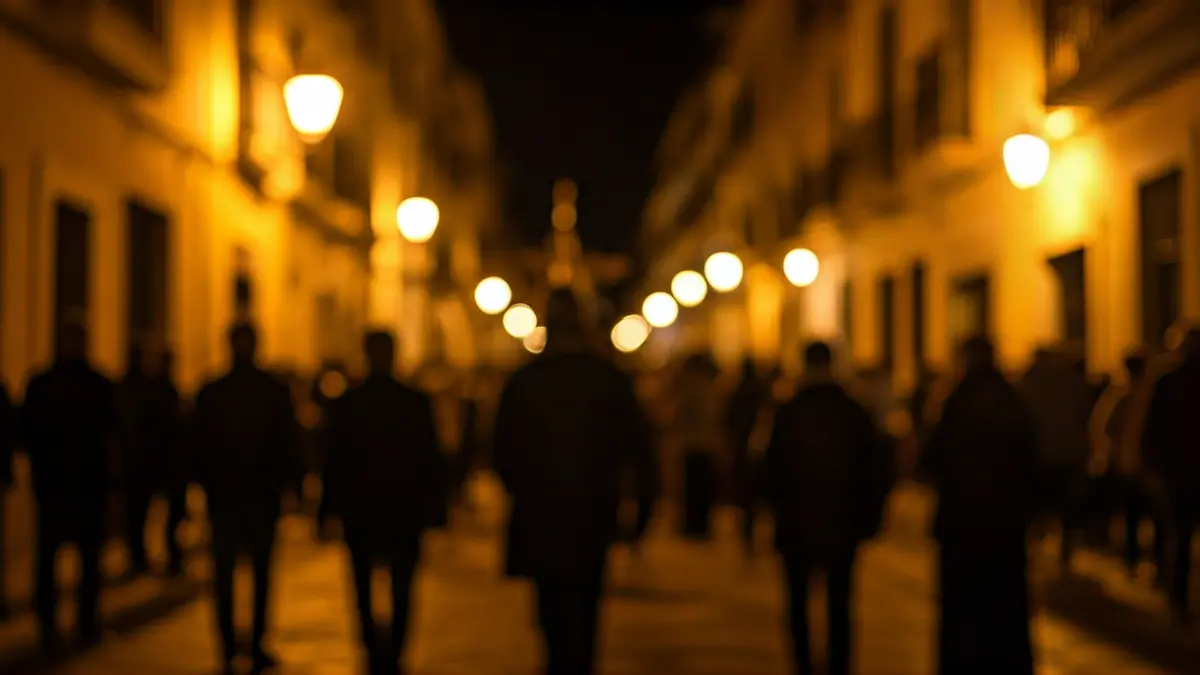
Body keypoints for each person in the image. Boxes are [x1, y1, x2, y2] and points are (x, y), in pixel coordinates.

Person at [492, 288, 657, 675]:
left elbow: (501, 452)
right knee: (586, 608)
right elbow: (640, 450)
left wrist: (526, 491)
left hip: (541, 515)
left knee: (550, 606)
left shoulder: (526, 381)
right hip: (592, 513)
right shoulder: (608, 380)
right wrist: (640, 513)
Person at [320, 330, 446, 675]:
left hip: (362, 510)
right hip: (402, 509)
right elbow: (430, 458)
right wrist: (435, 510)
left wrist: (327, 509)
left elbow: (334, 460)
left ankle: (372, 650)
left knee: (362, 586)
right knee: (402, 587)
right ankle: (395, 651)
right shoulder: (414, 402)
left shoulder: (349, 402)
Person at [760, 341, 888, 675]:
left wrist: (772, 511)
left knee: (798, 603)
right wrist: (870, 518)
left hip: (797, 524)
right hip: (843, 523)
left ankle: (803, 665)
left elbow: (769, 468)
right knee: (840, 604)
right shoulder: (852, 411)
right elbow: (874, 469)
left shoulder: (789, 410)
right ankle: (839, 666)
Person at [922, 336, 1037, 675]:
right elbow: (1028, 460)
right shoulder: (1012, 402)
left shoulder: (954, 402)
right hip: (1004, 526)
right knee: (1006, 606)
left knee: (961, 610)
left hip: (962, 526)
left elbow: (932, 459)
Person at [192, 323, 302, 674]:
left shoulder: (217, 391)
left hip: (243, 496)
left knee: (239, 574)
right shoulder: (268, 391)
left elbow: (287, 444)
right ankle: (244, 644)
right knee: (243, 574)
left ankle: (239, 644)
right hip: (246, 496)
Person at [20, 317, 119, 654]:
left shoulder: (56, 384)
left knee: (79, 561)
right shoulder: (85, 385)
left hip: (72, 486)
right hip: (64, 486)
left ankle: (75, 624)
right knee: (61, 561)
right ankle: (64, 624)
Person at [1142, 326, 1200, 625]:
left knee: (1178, 533)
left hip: (1178, 469)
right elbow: (1153, 427)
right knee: (1179, 533)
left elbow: (1151, 428)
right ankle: (1176, 595)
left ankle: (1177, 595)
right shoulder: (1168, 383)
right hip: (1178, 470)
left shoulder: (1169, 382)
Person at [1089, 348, 1164, 576]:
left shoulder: (1121, 394)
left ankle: (1134, 560)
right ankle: (1153, 561)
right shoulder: (1150, 392)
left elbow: (1103, 427)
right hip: (1145, 465)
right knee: (1152, 514)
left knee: (1135, 514)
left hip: (1131, 464)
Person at [118, 343, 184, 576]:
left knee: (145, 514)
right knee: (142, 514)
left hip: (152, 463)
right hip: (149, 463)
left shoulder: (159, 390)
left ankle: (147, 557)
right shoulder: (150, 391)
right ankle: (147, 557)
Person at [673, 352, 723, 539]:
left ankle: (693, 526)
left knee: (694, 488)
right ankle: (698, 526)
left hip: (693, 444)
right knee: (701, 489)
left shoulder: (692, 388)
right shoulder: (709, 388)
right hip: (703, 445)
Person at [726, 357, 768, 556]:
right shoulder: (761, 393)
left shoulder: (737, 393)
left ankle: (747, 531)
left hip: (742, 450)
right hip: (755, 452)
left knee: (745, 495)